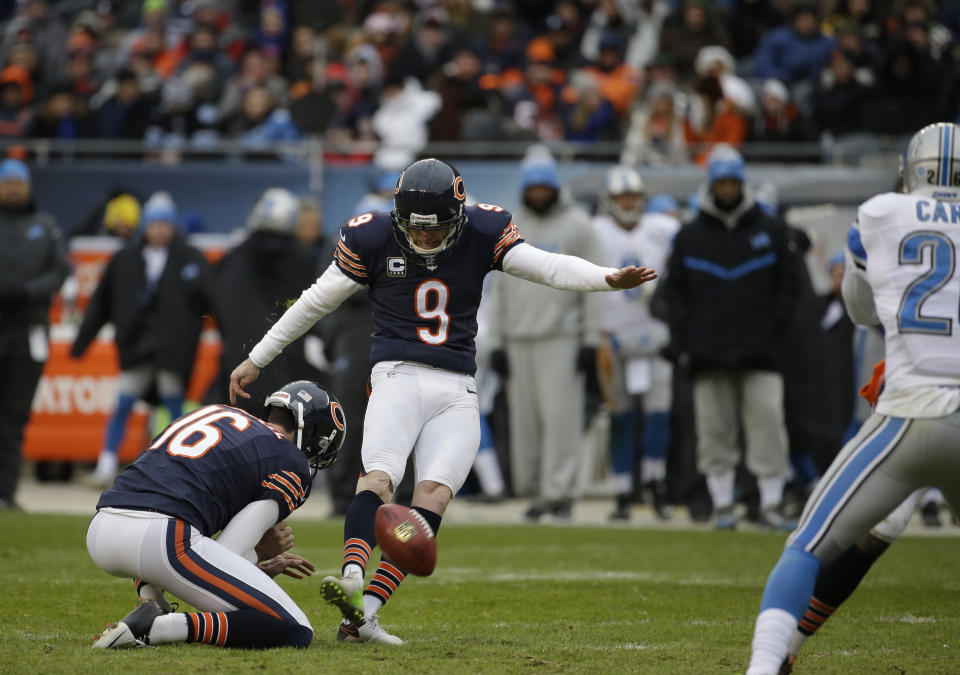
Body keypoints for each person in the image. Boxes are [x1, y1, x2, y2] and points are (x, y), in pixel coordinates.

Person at [228, 158, 656, 645]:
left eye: (436, 230)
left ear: (458, 215)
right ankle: (350, 577)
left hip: (458, 387)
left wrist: (606, 279)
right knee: (380, 477)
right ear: (397, 215)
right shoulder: (371, 237)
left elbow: (548, 266)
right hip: (397, 377)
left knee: (432, 498)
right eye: (415, 228)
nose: (426, 239)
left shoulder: (484, 229)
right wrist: (258, 358)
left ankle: (364, 614)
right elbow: (313, 301)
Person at [747, 122, 960, 674]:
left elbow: (862, 312)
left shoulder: (880, 214)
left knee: (808, 544)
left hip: (909, 412)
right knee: (881, 529)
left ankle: (768, 664)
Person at [87, 380, 345, 650]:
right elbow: (228, 550)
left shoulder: (216, 412)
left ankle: (153, 604)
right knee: (297, 630)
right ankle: (162, 627)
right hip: (161, 539)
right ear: (311, 430)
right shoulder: (290, 461)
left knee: (176, 512)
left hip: (101, 528)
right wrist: (259, 553)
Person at [660, 145, 799, 530]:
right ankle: (723, 505)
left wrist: (773, 329)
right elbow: (674, 294)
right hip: (708, 354)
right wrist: (688, 338)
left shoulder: (770, 230)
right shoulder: (690, 236)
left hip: (761, 352)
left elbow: (790, 287)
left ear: (741, 182)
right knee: (714, 432)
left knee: (768, 425)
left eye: (732, 181)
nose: (726, 188)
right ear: (711, 183)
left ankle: (771, 503)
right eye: (720, 181)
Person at [488, 154, 605, 522]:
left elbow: (594, 282)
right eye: (532, 188)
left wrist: (591, 339)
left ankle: (561, 493)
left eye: (544, 187)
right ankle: (536, 490)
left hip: (561, 337)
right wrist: (497, 342)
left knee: (561, 420)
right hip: (518, 338)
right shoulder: (512, 226)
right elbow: (499, 289)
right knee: (526, 423)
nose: (538, 194)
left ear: (555, 188)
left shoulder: (579, 226)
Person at [71, 191, 216, 488]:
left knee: (174, 407)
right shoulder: (125, 257)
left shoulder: (190, 257)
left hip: (172, 348)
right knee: (123, 402)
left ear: (172, 226)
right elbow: (102, 302)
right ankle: (106, 464)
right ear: (145, 226)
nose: (160, 230)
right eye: (155, 223)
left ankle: (182, 467)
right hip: (136, 346)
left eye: (165, 224)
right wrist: (81, 344)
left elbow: (214, 300)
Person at [592, 165, 679, 520]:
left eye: (632, 196)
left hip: (657, 334)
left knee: (659, 414)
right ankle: (624, 489)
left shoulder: (665, 229)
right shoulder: (595, 232)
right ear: (609, 200)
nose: (627, 203)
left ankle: (656, 483)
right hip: (612, 336)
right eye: (620, 197)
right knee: (620, 418)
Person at [207, 188, 322, 417]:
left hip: (237, 375)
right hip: (292, 377)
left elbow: (218, 311)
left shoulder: (231, 261)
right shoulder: (304, 261)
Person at [0, 158, 69, 510]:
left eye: (18, 183)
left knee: (14, 415)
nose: (13, 189)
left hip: (28, 331)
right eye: (7, 183)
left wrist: (26, 292)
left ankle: (6, 494)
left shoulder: (44, 225)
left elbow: (60, 270)